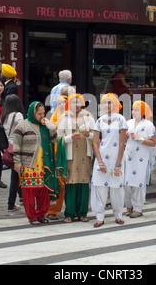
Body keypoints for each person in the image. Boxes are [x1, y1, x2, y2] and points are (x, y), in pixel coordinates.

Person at [13, 101, 59, 225]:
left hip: (44, 164)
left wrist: (52, 128)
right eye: (39, 114)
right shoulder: (22, 126)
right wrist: (17, 162)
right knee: (29, 191)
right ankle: (32, 216)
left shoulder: (45, 126)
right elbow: (16, 144)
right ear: (33, 113)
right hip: (28, 164)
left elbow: (55, 140)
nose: (42, 116)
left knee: (43, 191)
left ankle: (41, 214)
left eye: (43, 113)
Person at [56, 93, 96, 223]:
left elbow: (96, 136)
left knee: (84, 182)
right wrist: (70, 138)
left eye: (78, 102)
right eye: (73, 102)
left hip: (85, 154)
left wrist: (88, 134)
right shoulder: (64, 116)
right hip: (70, 154)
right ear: (69, 104)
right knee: (71, 182)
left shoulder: (89, 116)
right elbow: (58, 137)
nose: (76, 105)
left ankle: (82, 213)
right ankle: (69, 213)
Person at [91, 93, 127, 227]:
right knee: (100, 187)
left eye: (110, 102)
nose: (108, 105)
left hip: (116, 157)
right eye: (105, 102)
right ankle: (99, 217)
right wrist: (100, 161)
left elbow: (122, 143)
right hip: (102, 157)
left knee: (116, 188)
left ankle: (118, 215)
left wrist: (118, 164)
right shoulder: (100, 120)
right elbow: (95, 143)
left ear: (116, 104)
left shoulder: (121, 119)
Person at [123, 100, 156, 218]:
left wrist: (140, 139)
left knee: (138, 182)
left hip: (141, 157)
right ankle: (128, 205)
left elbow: (153, 142)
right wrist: (125, 137)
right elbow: (121, 139)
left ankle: (138, 208)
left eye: (136, 110)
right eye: (133, 109)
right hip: (128, 156)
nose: (133, 112)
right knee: (126, 182)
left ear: (142, 112)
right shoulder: (128, 123)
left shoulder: (148, 125)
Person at [1, 94, 25, 211]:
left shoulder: (4, 116)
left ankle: (20, 198)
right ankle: (11, 203)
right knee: (16, 176)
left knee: (16, 174)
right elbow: (22, 130)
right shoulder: (18, 115)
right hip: (17, 147)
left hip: (8, 147)